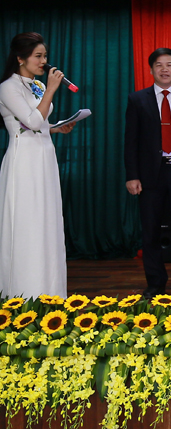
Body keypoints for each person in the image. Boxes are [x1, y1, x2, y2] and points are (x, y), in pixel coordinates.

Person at [0, 32, 76, 298]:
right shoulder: (8, 87)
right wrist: (52, 89)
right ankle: (23, 292)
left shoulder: (38, 86)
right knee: (28, 222)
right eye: (38, 56)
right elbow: (31, 122)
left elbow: (39, 123)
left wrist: (56, 128)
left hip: (45, 156)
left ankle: (49, 291)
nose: (44, 61)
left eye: (45, 56)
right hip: (24, 161)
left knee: (46, 221)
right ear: (20, 58)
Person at [124, 48, 171, 299]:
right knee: (151, 230)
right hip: (150, 175)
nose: (164, 69)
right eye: (159, 65)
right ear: (151, 70)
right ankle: (155, 283)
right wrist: (132, 175)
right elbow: (131, 141)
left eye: (169, 65)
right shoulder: (137, 99)